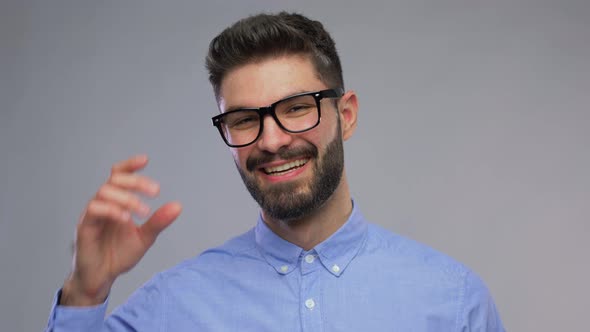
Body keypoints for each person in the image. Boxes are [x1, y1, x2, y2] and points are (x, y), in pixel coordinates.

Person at [45, 12, 504, 331]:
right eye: (244, 119)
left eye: (297, 108)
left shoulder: (454, 302)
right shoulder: (169, 307)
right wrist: (84, 294)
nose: (271, 140)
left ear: (346, 115)